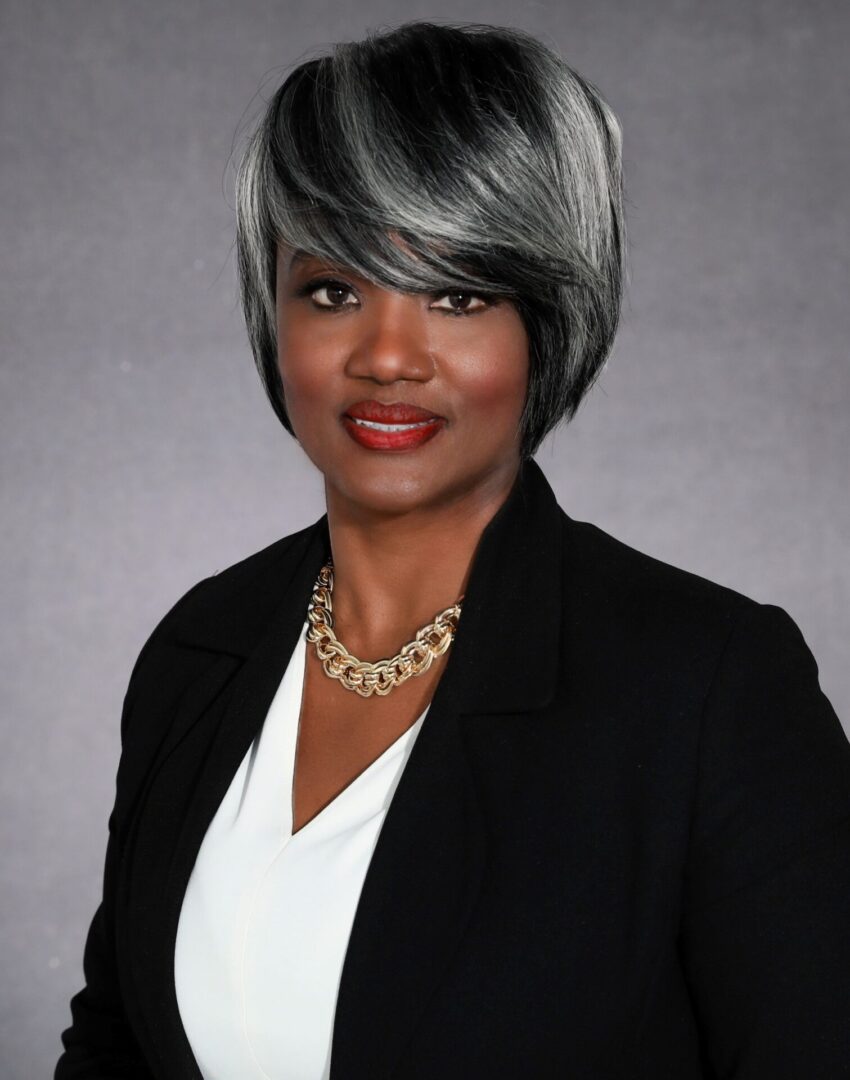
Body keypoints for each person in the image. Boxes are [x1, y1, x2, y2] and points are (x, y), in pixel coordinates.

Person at [56, 19, 850, 1080]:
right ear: (273, 314)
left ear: (550, 322)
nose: (387, 356)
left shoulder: (706, 688)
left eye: (458, 294)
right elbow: (115, 1046)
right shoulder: (201, 649)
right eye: (335, 289)